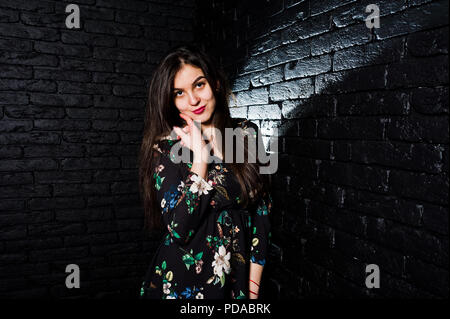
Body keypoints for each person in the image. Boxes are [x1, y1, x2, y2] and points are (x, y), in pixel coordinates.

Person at [138, 44, 272, 299]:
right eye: (179, 92)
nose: (193, 100)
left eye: (199, 84)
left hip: (237, 279)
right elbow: (179, 228)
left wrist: (252, 288)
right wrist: (200, 158)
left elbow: (262, 212)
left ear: (216, 84)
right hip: (183, 282)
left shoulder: (246, 133)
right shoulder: (166, 147)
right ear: (170, 100)